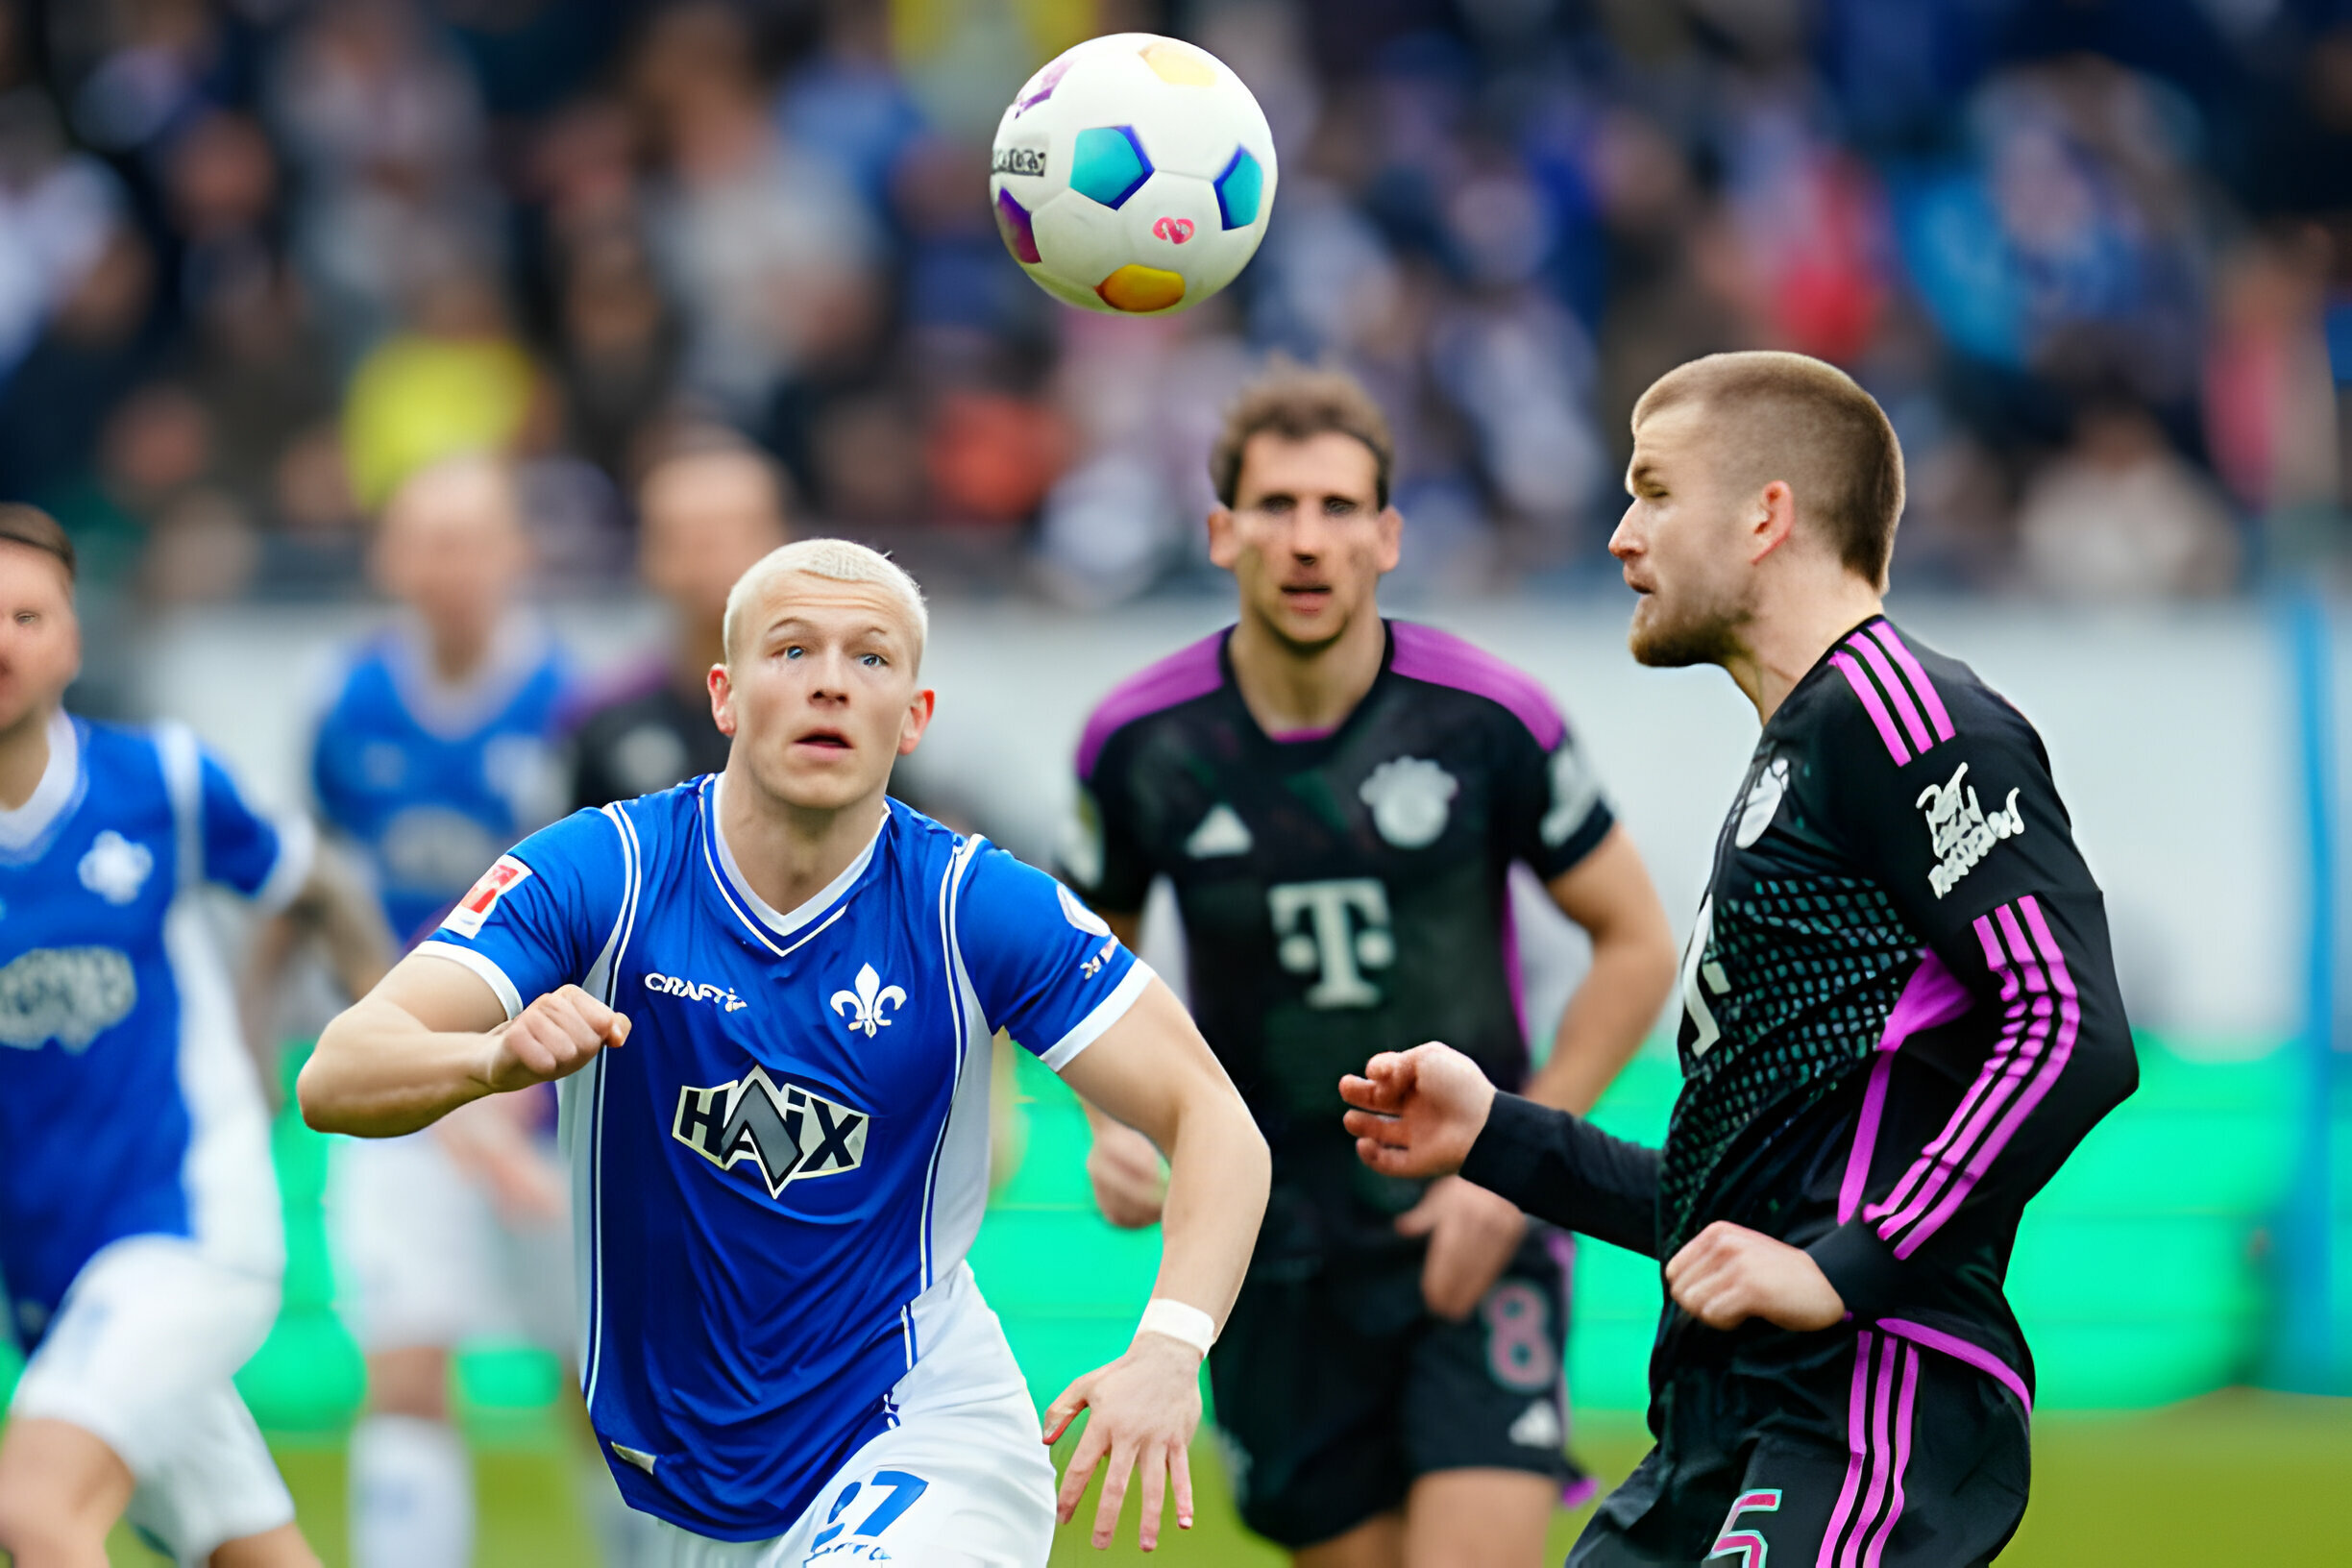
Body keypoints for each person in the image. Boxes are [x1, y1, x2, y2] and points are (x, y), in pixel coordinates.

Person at [297, 538, 1272, 1564]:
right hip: (685, 1489)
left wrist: (1170, 1348)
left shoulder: (974, 904)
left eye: (871, 659)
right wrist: (488, 1063)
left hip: (920, 1433)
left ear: (915, 717)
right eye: (792, 650)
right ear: (724, 694)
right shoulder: (605, 870)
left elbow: (1216, 1122)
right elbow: (340, 1071)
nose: (830, 685)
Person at [1341, 351, 2139, 1567]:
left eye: (1653, 490)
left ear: (1767, 514)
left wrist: (1854, 1269)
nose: (1620, 535)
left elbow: (2069, 1025)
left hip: (1867, 1393)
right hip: (1728, 1415)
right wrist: (1499, 1136)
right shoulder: (1800, 753)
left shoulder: (1911, 716)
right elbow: (1740, 1208)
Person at [1061, 366, 1679, 1567]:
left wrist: (1515, 1163)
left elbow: (1639, 942)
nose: (1308, 540)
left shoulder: (1487, 719)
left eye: (1341, 508)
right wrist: (1109, 1117)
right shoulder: (1141, 743)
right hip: (1267, 1231)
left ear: (1389, 537)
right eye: (1277, 506)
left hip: (1464, 1216)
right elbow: (1087, 955)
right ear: (1220, 531)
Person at [0, 506, 392, 1567]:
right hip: (57, 1280)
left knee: (34, 1515)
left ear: (74, 640)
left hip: (186, 1228)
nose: (3, 641)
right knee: (249, 1553)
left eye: (28, 615)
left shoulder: (157, 784)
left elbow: (317, 881)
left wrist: (386, 1021)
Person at [307, 453, 576, 1568]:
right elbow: (337, 900)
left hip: (557, 1098)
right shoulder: (342, 705)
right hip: (408, 1095)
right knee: (406, 1374)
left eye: (472, 540)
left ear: (518, 554)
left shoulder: (572, 712)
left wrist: (515, 1096)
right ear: (390, 557)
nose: (449, 568)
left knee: (602, 1388)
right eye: (427, 541)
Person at [568, 436, 791, 812]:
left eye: (734, 533)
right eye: (686, 538)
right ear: (647, 556)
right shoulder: (605, 718)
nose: (712, 558)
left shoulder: (836, 706)